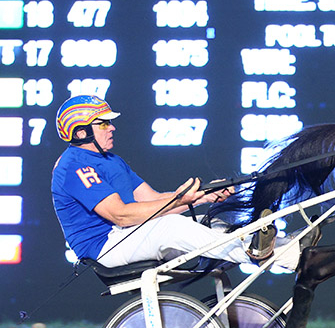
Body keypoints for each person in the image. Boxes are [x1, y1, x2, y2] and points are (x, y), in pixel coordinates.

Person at [50, 95, 295, 269]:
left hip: (127, 234)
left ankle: (292, 251)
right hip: (105, 246)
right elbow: (121, 215)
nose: (112, 127)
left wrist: (203, 195)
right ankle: (258, 253)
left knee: (214, 222)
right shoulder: (74, 165)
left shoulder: (111, 159)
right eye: (103, 123)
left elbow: (153, 200)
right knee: (172, 227)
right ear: (80, 131)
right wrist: (181, 199)